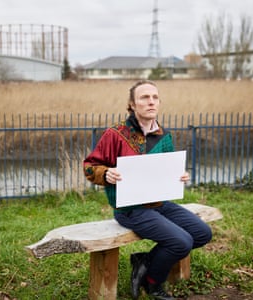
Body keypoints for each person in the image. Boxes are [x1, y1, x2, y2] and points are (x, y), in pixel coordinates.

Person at [83, 80, 212, 300]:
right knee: (181, 242)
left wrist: (179, 176)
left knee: (202, 233)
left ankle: (144, 261)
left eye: (155, 97)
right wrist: (105, 174)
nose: (151, 101)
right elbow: (89, 166)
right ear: (132, 104)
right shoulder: (115, 134)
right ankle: (153, 283)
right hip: (130, 209)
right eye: (144, 97)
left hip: (160, 204)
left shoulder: (164, 135)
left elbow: (166, 170)